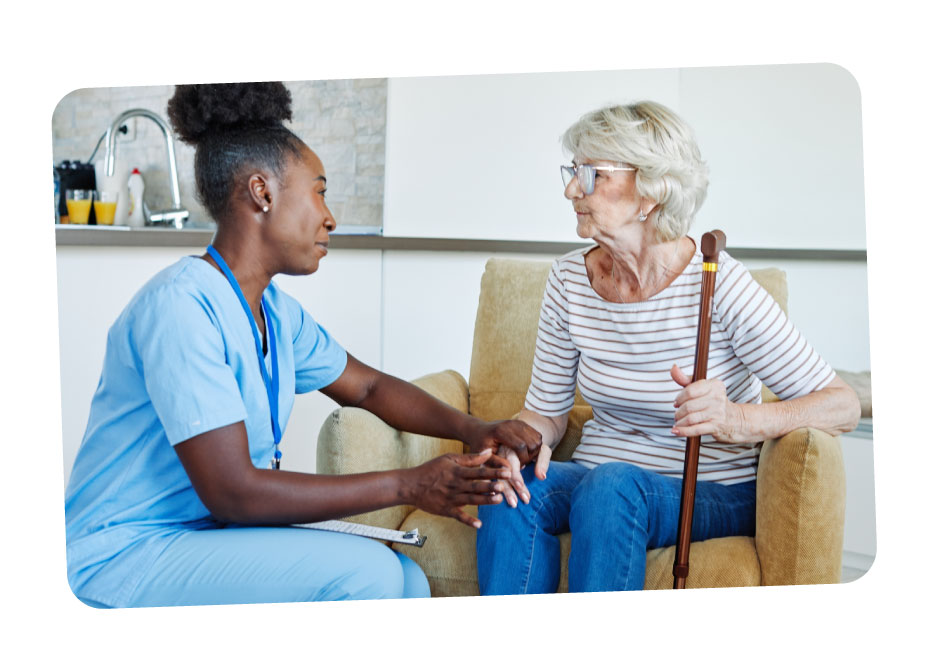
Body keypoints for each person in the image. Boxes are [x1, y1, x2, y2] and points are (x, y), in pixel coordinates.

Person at [64, 82, 541, 608]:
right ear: (261, 192)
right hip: (127, 553)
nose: (329, 216)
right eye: (318, 191)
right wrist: (410, 484)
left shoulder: (273, 310)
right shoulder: (181, 308)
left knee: (408, 579)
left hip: (203, 535)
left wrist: (475, 429)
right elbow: (234, 491)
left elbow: (368, 387)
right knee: (370, 579)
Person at [476, 100, 861, 594]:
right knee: (508, 489)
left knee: (611, 488)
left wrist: (737, 420)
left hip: (711, 489)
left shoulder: (717, 283)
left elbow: (842, 404)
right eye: (573, 171)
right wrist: (516, 446)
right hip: (601, 478)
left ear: (649, 193)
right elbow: (546, 414)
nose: (572, 189)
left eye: (591, 173)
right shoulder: (569, 278)